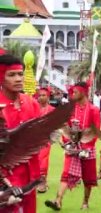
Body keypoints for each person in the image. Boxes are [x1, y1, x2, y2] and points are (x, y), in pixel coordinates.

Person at [45, 82, 100, 210]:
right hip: (73, 145)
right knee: (66, 173)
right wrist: (67, 143)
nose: (72, 94)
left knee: (88, 177)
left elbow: (95, 131)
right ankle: (58, 200)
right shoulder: (71, 109)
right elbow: (66, 127)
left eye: (75, 92)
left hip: (87, 147)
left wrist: (87, 147)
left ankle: (85, 202)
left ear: (83, 92)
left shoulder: (93, 110)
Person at [0, 51, 41, 213]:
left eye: (20, 74)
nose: (18, 79)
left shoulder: (31, 103)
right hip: (6, 178)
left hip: (30, 177)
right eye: (11, 75)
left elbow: (39, 141)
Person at [36, 87, 55, 193]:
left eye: (43, 95)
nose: (41, 97)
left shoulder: (52, 110)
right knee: (34, 160)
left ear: (48, 97)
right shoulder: (34, 107)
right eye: (39, 95)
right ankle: (34, 182)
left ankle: (43, 182)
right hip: (33, 139)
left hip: (45, 139)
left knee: (43, 160)